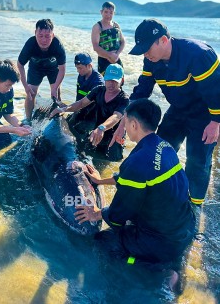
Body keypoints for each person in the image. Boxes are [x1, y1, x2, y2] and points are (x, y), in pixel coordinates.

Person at [75, 99, 196, 285]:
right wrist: (100, 180)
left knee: (104, 242)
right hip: (184, 226)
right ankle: (169, 260)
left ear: (134, 124)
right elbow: (133, 177)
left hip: (163, 241)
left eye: (125, 122)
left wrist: (95, 213)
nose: (124, 127)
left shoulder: (138, 161)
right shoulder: (164, 146)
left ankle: (158, 269)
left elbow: (119, 214)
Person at [111, 18, 220, 206]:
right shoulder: (151, 60)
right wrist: (122, 125)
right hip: (178, 109)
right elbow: (142, 91)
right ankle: (156, 190)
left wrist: (215, 123)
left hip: (206, 114)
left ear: (162, 40)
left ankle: (193, 207)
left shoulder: (197, 54)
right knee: (159, 149)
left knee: (197, 162)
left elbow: (216, 91)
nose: (145, 54)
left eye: (147, 48)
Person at [50, 63, 129, 161]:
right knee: (85, 156)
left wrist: (102, 128)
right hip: (97, 133)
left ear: (122, 80)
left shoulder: (124, 99)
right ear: (104, 77)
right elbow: (81, 103)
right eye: (108, 80)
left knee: (113, 163)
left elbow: (116, 117)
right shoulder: (98, 90)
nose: (111, 84)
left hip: (114, 136)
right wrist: (64, 109)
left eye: (115, 81)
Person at [17, 18, 66, 122]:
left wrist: (55, 87)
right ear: (35, 33)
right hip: (36, 68)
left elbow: (62, 69)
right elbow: (20, 65)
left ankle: (58, 120)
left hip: (53, 68)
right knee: (31, 94)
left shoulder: (57, 45)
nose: (44, 40)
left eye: (47, 36)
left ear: (52, 35)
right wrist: (25, 86)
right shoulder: (30, 44)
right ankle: (28, 119)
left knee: (56, 94)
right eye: (40, 36)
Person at [66, 52, 104, 133]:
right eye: (77, 68)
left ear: (89, 66)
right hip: (81, 110)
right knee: (66, 124)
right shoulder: (81, 75)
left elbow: (91, 105)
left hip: (93, 116)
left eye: (80, 68)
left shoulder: (98, 82)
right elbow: (78, 96)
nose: (78, 71)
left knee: (78, 132)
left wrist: (67, 109)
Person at [91, 1, 125, 75]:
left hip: (116, 58)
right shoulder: (97, 27)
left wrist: (117, 54)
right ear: (101, 12)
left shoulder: (116, 25)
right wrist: (109, 55)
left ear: (114, 13)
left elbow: (123, 42)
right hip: (104, 61)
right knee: (106, 85)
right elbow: (95, 47)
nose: (108, 15)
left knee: (119, 83)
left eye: (111, 12)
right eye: (106, 12)